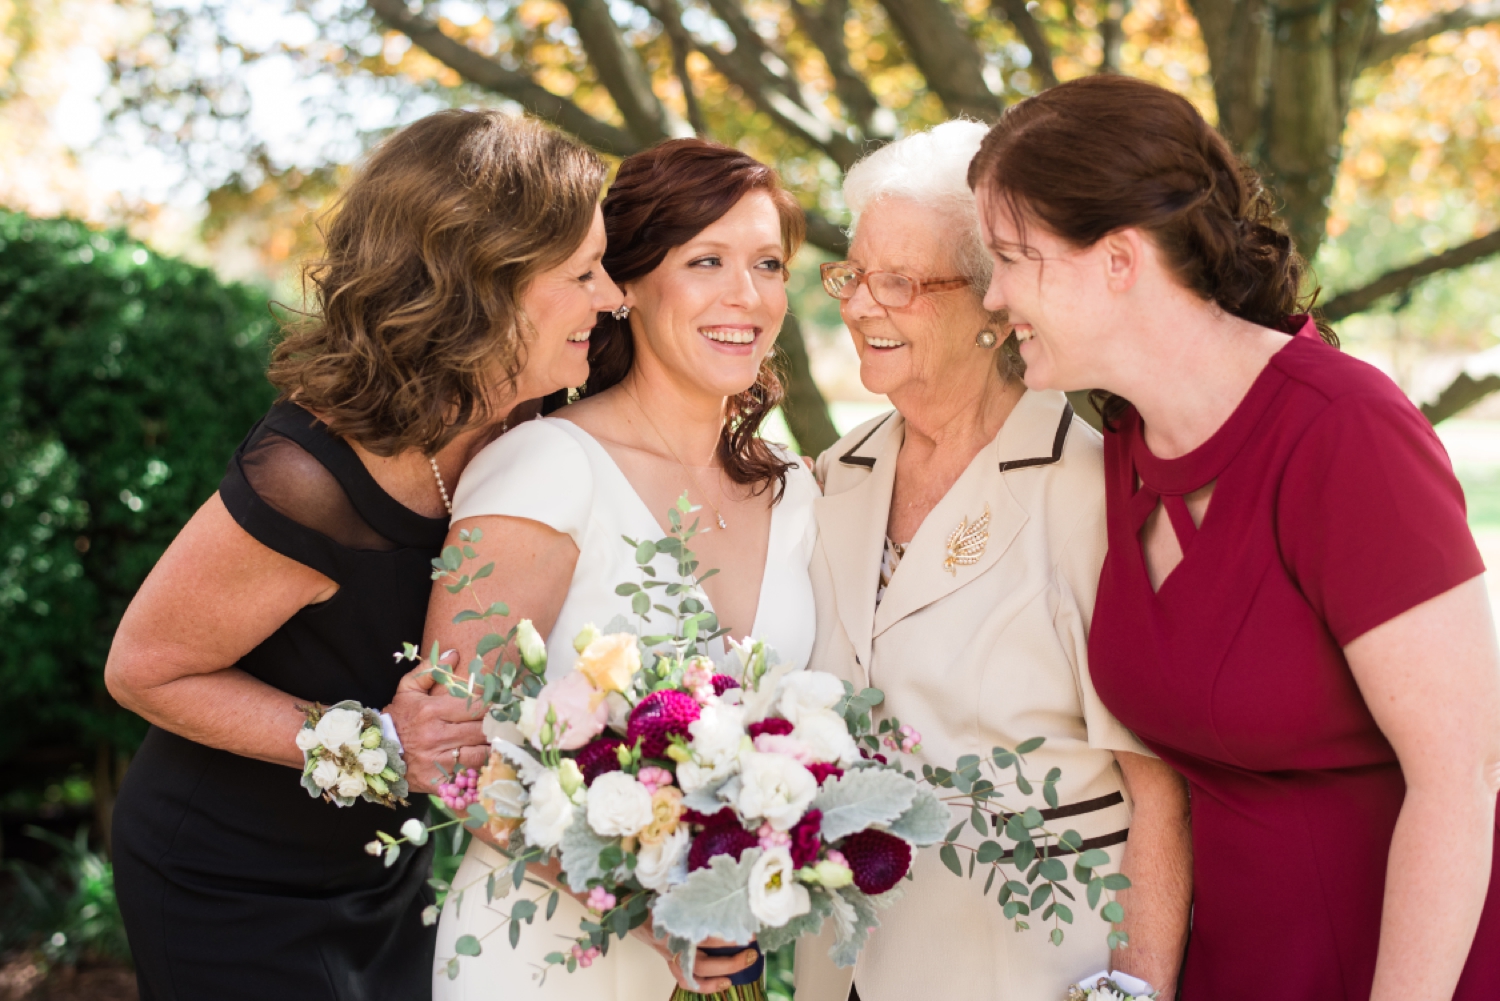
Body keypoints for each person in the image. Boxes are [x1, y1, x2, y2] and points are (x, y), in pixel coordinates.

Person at [970, 73, 1500, 999]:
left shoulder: (1344, 431)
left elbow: (1464, 776)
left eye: (1014, 257)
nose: (993, 295)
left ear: (1120, 259)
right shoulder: (1124, 445)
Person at [105, 109, 620, 1000]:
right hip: (226, 880)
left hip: (382, 871)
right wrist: (379, 744)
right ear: (484, 288)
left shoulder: (521, 419)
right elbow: (145, 670)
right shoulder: (311, 477)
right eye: (582, 272)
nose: (610, 296)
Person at [793, 121, 1192, 1001]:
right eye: (853, 274)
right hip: (842, 965)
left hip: (1028, 966)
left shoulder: (1090, 490)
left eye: (899, 282)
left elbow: (1158, 789)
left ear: (993, 304)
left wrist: (1139, 989)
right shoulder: (834, 475)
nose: (860, 305)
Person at [428, 138, 818, 1001]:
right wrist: (642, 905)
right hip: (541, 956)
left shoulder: (795, 494)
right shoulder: (543, 468)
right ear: (627, 280)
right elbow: (449, 750)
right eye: (705, 260)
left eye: (768, 264)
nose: (746, 296)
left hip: (724, 958)